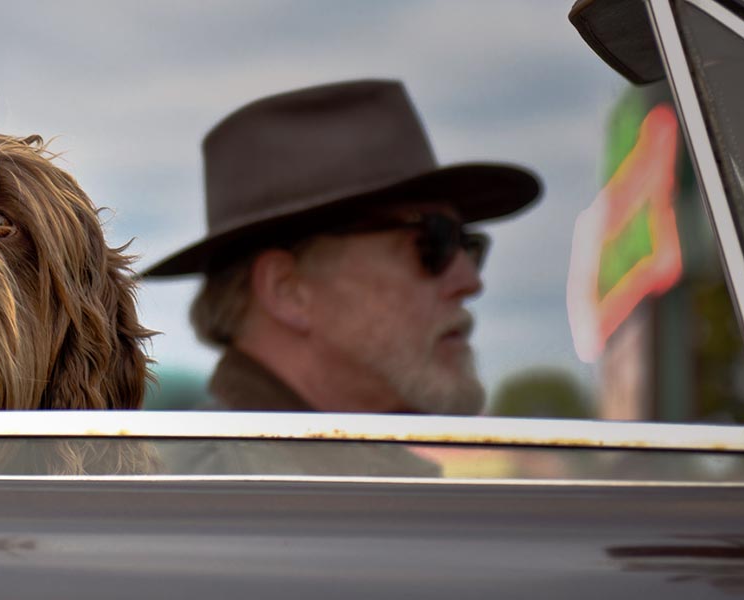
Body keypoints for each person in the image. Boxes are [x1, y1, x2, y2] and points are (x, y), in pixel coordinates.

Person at [142, 79, 540, 416]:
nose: (469, 281)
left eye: (468, 244)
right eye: (433, 240)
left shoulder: (332, 488)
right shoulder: (209, 500)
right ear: (287, 290)